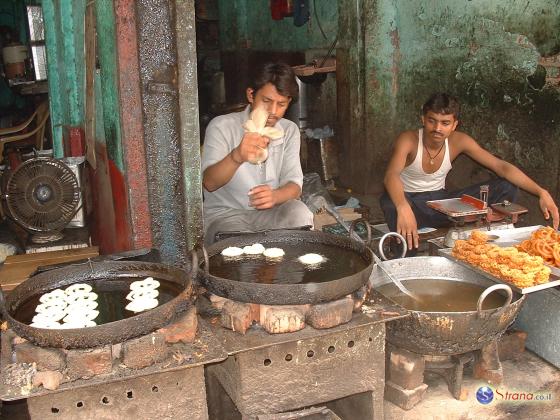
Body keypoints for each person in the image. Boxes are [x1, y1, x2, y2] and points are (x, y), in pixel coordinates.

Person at [381, 92, 559, 251]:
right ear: (423, 119)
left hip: (439, 204)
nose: (437, 128)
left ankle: (484, 235)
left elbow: (501, 167)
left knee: (506, 186)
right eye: (431, 121)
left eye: (445, 123)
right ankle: (404, 242)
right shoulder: (409, 139)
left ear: (454, 125)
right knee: (391, 205)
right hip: (409, 201)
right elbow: (391, 175)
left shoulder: (459, 141)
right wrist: (403, 206)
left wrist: (541, 192)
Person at [201, 62, 314, 245]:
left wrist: (275, 196)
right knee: (239, 248)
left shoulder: (289, 130)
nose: (273, 112)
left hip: (271, 214)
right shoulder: (221, 126)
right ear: (251, 95)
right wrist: (236, 156)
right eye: (267, 101)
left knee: (299, 214)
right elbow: (209, 183)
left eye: (281, 104)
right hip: (226, 217)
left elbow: (294, 186)